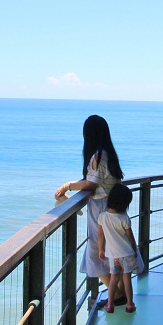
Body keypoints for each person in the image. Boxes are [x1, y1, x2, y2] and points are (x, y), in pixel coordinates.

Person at [54, 115, 125, 307]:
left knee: (96, 252)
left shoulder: (98, 156)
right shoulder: (108, 154)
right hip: (112, 208)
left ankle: (117, 294)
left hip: (102, 210)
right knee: (111, 252)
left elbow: (91, 184)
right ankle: (119, 293)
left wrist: (68, 185)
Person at [97, 183, 139, 314]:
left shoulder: (102, 217)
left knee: (113, 280)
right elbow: (130, 236)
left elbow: (100, 235)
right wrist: (134, 249)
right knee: (127, 280)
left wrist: (100, 250)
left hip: (113, 255)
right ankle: (130, 304)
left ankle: (110, 305)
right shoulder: (124, 218)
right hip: (126, 254)